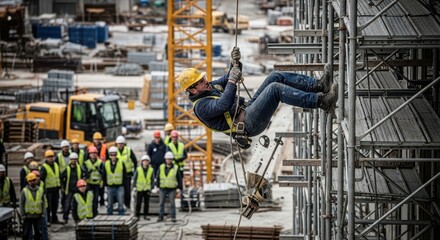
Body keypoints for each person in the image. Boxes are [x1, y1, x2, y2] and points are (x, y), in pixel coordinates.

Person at [176, 47, 338, 148]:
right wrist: (232, 79)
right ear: (192, 90)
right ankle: (322, 102)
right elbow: (223, 104)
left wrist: (235, 64)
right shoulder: (201, 107)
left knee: (274, 77)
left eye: (203, 78)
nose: (205, 81)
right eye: (200, 82)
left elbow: (229, 76)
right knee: (275, 89)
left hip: (247, 110)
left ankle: (318, 85)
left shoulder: (210, 87)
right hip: (247, 124)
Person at [156, 151, 182, 222]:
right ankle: (160, 217)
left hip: (172, 188)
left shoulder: (176, 168)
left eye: (170, 159)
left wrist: (179, 188)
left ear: (172, 160)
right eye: (167, 159)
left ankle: (173, 217)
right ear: (165, 159)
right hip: (162, 188)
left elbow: (179, 178)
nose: (168, 160)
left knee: (172, 203)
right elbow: (158, 177)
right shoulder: (161, 167)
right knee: (161, 203)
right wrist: (157, 186)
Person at [19, 173, 45, 240]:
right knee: (25, 233)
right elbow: (21, 203)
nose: (32, 182)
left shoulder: (40, 190)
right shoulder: (24, 191)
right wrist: (23, 214)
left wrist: (43, 213)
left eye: (33, 180)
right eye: (30, 181)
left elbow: (43, 202)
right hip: (28, 216)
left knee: (38, 233)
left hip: (37, 215)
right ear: (28, 181)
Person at [40, 150, 63, 225]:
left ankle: (54, 218)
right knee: (48, 206)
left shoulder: (56, 165)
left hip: (56, 189)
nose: (51, 158)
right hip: (48, 190)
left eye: (52, 157)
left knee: (55, 205)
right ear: (46, 158)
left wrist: (60, 186)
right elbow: (41, 180)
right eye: (49, 157)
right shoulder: (44, 167)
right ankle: (48, 220)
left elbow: (58, 176)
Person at [103, 146, 127, 215]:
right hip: (110, 186)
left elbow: (124, 175)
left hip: (119, 186)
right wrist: (105, 185)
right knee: (110, 203)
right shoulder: (106, 164)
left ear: (116, 155)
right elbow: (104, 175)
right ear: (109, 155)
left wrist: (123, 184)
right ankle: (109, 216)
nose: (113, 156)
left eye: (114, 154)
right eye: (111, 154)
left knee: (120, 202)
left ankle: (121, 217)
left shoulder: (121, 163)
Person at [115, 135, 137, 210]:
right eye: (119, 143)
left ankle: (127, 205)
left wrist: (135, 172)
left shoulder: (128, 150)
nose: (120, 145)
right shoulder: (114, 151)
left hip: (127, 174)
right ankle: (119, 204)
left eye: (121, 143)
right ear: (116, 144)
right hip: (119, 175)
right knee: (119, 190)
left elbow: (135, 161)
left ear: (124, 144)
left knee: (127, 190)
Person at [61, 152, 84, 224]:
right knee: (67, 205)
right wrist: (63, 186)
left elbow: (84, 174)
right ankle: (65, 218)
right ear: (70, 160)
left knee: (78, 205)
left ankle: (78, 218)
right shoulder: (67, 168)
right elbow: (62, 177)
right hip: (70, 190)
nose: (74, 161)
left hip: (77, 190)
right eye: (72, 159)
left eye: (75, 159)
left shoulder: (79, 168)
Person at [87, 132, 108, 206]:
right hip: (92, 170)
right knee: (92, 189)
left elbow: (107, 158)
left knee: (102, 187)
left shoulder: (105, 147)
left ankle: (102, 201)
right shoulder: (90, 147)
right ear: (93, 140)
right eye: (96, 139)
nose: (97, 141)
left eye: (99, 139)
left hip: (102, 169)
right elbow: (86, 159)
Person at [82, 146, 103, 217]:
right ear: (89, 154)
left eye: (95, 153)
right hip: (89, 183)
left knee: (96, 199)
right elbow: (84, 173)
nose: (93, 155)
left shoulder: (100, 163)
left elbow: (103, 173)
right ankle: (88, 213)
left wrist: (99, 170)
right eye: (91, 153)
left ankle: (95, 212)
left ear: (97, 154)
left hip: (97, 184)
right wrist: (88, 172)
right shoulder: (86, 163)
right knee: (89, 199)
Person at [133, 155, 154, 220]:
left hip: (147, 189)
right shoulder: (138, 169)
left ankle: (145, 215)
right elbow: (135, 178)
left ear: (148, 162)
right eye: (144, 161)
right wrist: (134, 186)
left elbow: (152, 179)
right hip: (139, 189)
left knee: (146, 203)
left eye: (146, 161)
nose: (145, 162)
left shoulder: (151, 170)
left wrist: (152, 187)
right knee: (138, 203)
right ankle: (137, 215)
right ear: (142, 162)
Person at [32, 170, 48, 240]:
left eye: (38, 176)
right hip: (33, 210)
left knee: (44, 226)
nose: (37, 178)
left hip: (43, 207)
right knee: (35, 227)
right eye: (36, 177)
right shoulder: (29, 186)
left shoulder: (42, 183)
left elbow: (45, 195)